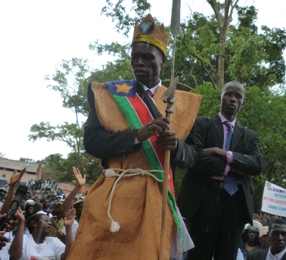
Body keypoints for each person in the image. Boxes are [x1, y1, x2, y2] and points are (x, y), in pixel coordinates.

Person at [67, 14, 201, 260]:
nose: (139, 62)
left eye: (147, 57)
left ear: (163, 60)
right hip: (114, 195)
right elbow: (92, 143)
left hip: (155, 199)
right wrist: (137, 135)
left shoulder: (182, 104)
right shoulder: (109, 94)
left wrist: (177, 147)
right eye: (135, 57)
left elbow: (193, 155)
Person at [177, 80, 265, 260]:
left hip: (235, 205)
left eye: (238, 96)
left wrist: (221, 153)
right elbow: (195, 157)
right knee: (198, 255)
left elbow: (257, 165)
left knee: (227, 256)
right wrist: (236, 168)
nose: (232, 99)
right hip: (203, 201)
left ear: (243, 103)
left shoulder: (249, 137)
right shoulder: (201, 124)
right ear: (220, 97)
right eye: (228, 94)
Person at [9, 210, 74, 260]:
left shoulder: (54, 241)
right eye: (46, 221)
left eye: (50, 222)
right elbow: (15, 255)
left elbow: (66, 256)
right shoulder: (24, 239)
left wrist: (68, 228)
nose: (50, 223)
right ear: (35, 224)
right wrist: (21, 223)